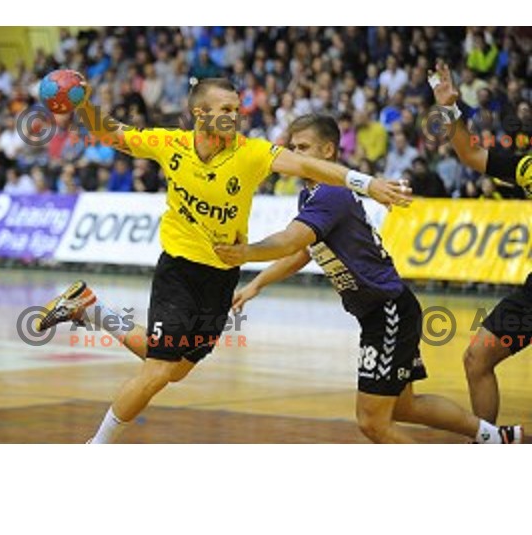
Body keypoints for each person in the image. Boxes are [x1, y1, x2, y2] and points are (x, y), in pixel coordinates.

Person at [37, 77, 412, 444]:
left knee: (176, 370)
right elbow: (112, 135)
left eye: (238, 108)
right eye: (226, 109)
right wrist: (84, 105)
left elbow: (309, 168)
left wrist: (367, 183)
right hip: (179, 270)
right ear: (200, 113)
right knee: (159, 369)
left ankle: (90, 308)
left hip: (221, 279)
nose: (236, 116)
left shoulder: (252, 152)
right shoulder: (170, 144)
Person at [213, 113, 522, 444]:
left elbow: (289, 240)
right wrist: (257, 284)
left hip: (387, 312)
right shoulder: (312, 194)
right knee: (403, 407)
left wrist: (246, 252)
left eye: (303, 147)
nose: (294, 155)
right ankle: (496, 437)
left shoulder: (330, 193)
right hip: (389, 310)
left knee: (372, 422)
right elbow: (303, 251)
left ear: (329, 150)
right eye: (292, 147)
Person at [429, 60, 532, 423]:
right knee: (477, 358)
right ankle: (488, 441)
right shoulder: (528, 166)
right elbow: (470, 154)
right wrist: (450, 108)